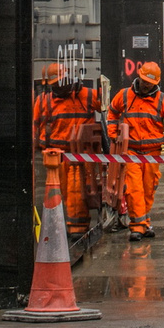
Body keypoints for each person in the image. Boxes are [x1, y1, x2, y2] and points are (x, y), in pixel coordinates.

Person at [106, 61, 164, 242]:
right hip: (131, 151)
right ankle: (138, 227)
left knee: (149, 189)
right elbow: (112, 113)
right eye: (144, 81)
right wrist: (112, 134)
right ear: (139, 77)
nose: (146, 85)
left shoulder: (162, 100)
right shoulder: (124, 96)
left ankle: (144, 221)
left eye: (150, 83)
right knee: (134, 188)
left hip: (152, 153)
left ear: (155, 83)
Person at [32, 62, 103, 236]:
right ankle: (75, 225)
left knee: (76, 191)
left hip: (83, 154)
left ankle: (77, 227)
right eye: (55, 84)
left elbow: (110, 107)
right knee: (68, 192)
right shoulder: (44, 101)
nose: (59, 87)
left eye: (61, 82)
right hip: (58, 156)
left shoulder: (87, 96)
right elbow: (34, 127)